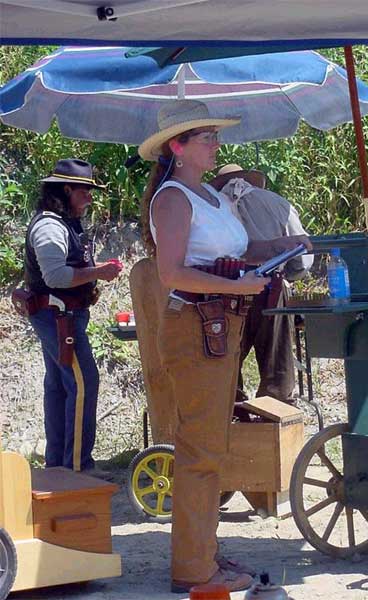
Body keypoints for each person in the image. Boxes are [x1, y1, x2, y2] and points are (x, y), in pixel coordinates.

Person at [139, 99, 312, 593]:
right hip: (197, 326)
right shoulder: (173, 199)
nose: (217, 143)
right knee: (200, 451)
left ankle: (203, 555)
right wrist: (239, 289)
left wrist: (280, 247)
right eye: (207, 137)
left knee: (210, 447)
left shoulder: (208, 197)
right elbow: (171, 273)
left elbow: (233, 253)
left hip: (216, 327)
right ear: (178, 146)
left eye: (215, 135)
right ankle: (194, 569)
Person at [23, 159, 122, 473]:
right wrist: (100, 272)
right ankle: (78, 467)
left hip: (57, 315)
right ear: (67, 190)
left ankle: (59, 466)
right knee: (82, 383)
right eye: (85, 190)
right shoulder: (51, 226)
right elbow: (56, 276)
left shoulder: (58, 223)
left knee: (60, 386)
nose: (90, 197)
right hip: (59, 316)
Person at [210, 164, 314, 403]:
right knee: (277, 373)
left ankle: (232, 416)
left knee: (224, 368)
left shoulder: (211, 208)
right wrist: (289, 274)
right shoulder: (276, 203)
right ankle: (275, 423)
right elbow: (303, 260)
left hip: (222, 289)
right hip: (270, 288)